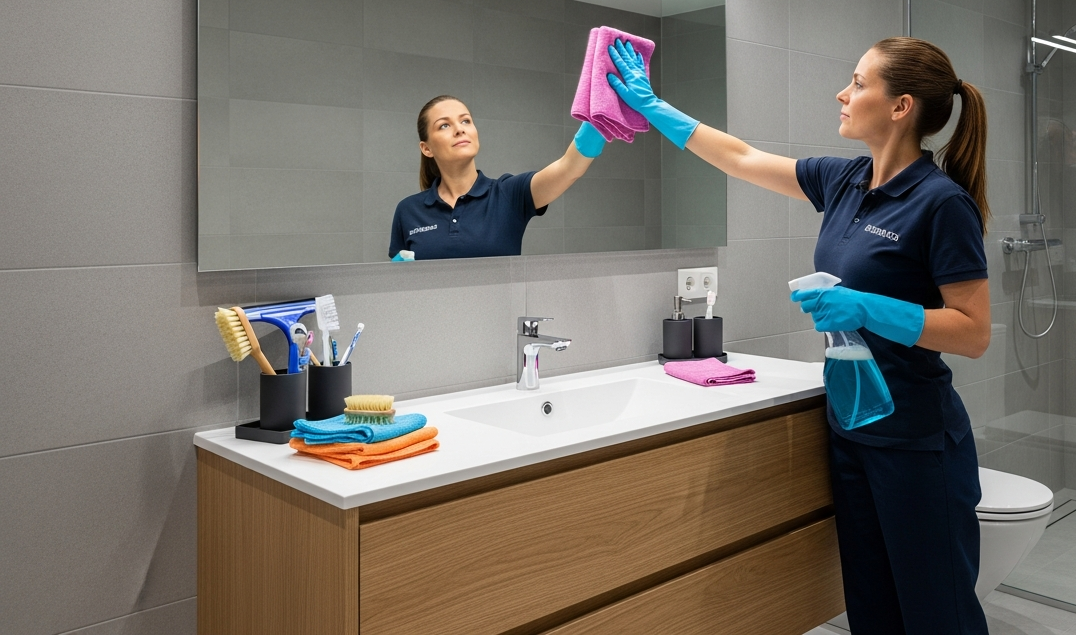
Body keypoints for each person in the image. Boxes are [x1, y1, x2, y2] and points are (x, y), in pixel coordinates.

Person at [607, 36, 994, 633]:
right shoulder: (843, 180)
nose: (843, 93)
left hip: (917, 440)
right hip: (850, 430)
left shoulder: (941, 203)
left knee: (937, 615)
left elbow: (972, 332)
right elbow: (739, 158)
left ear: (901, 106)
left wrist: (866, 306)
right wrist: (653, 106)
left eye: (860, 83)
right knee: (872, 608)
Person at [388, 96, 608, 260]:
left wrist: (602, 116)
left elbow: (569, 168)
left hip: (498, 321)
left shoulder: (509, 195)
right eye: (444, 125)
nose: (459, 130)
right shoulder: (408, 211)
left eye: (465, 121)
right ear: (426, 148)